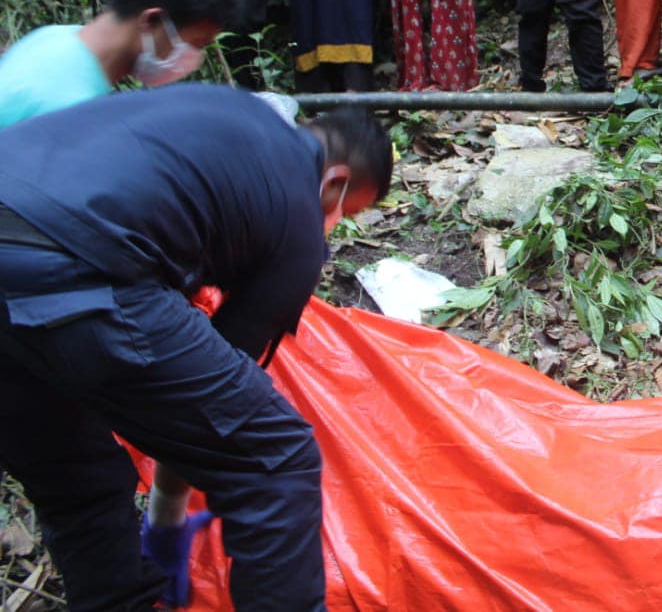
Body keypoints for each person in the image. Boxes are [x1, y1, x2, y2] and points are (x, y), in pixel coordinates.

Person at [0, 86, 391, 611]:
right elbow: (215, 401)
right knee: (276, 459)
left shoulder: (226, 114)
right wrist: (167, 513)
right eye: (349, 209)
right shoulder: (299, 210)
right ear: (336, 181)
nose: (335, 222)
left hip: (31, 227)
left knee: (78, 479)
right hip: (71, 260)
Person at [0, 0, 239, 128]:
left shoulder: (54, 37)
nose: (193, 61)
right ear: (152, 20)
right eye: (197, 44)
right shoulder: (73, 112)